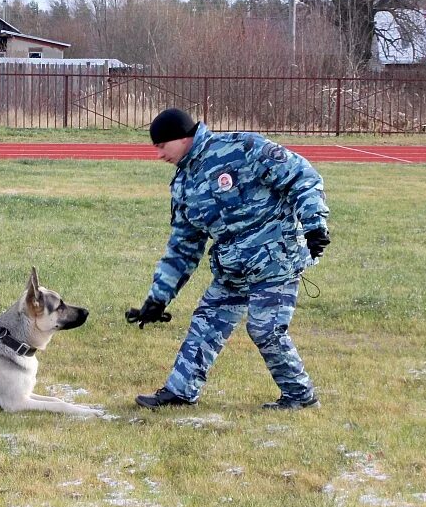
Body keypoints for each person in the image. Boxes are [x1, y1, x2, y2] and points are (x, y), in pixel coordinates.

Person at [126, 108, 331, 410]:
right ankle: (180, 393)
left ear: (182, 137)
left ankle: (300, 396)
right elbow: (183, 247)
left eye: (161, 146)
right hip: (233, 269)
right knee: (206, 323)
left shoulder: (243, 148)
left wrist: (314, 224)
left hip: (276, 259)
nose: (159, 155)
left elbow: (301, 176)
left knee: (266, 329)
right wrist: (158, 298)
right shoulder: (184, 185)